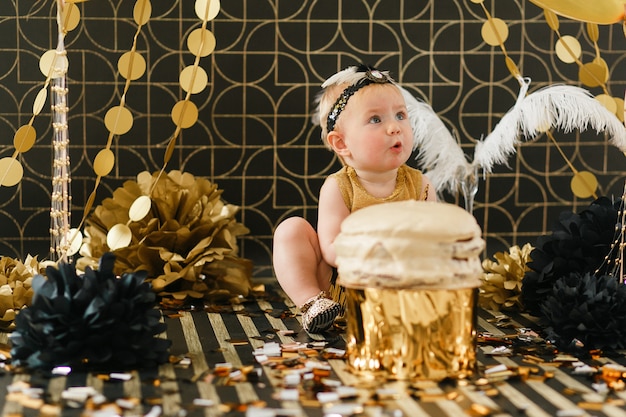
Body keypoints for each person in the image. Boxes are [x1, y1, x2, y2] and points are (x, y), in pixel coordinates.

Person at [272, 64, 437, 333]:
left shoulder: (421, 186)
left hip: (400, 290)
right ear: (342, 144)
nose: (395, 127)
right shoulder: (339, 187)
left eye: (400, 115)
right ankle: (312, 302)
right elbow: (333, 249)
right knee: (291, 230)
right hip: (342, 292)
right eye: (376, 119)